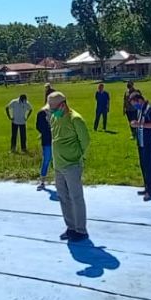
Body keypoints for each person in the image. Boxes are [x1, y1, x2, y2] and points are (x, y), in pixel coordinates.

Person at [47, 91, 90, 241]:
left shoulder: (75, 119)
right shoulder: (54, 117)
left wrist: (79, 157)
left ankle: (81, 230)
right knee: (63, 197)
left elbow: (85, 141)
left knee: (76, 197)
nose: (51, 111)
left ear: (63, 105)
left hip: (72, 164)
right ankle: (71, 227)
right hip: (58, 165)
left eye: (53, 108)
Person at [129, 90, 151, 201]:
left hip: (150, 143)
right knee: (143, 166)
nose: (135, 106)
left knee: (150, 167)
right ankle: (147, 187)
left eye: (135, 103)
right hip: (141, 143)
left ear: (140, 100)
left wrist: (140, 124)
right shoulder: (140, 110)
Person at [35, 101, 53, 190]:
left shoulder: (57, 112)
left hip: (56, 140)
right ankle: (42, 181)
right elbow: (38, 126)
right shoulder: (42, 113)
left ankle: (61, 181)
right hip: (47, 140)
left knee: (56, 161)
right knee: (47, 159)